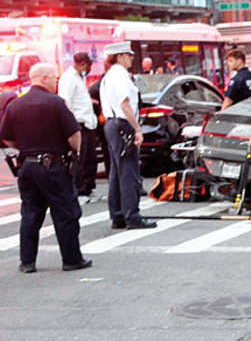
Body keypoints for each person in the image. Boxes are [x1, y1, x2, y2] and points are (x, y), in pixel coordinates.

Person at [0, 63, 91, 273]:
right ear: (43, 78)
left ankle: (27, 261)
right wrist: (75, 152)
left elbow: (5, 136)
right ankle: (71, 259)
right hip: (53, 166)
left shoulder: (15, 105)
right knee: (66, 212)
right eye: (53, 78)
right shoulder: (56, 103)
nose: (56, 82)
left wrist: (23, 148)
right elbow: (74, 134)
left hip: (27, 167)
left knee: (31, 213)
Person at [101, 41, 156, 230]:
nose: (132, 58)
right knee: (129, 173)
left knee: (117, 173)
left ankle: (118, 215)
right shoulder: (120, 75)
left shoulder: (110, 75)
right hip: (123, 124)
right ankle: (132, 216)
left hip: (113, 124)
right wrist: (137, 128)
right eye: (129, 54)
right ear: (119, 56)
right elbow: (125, 104)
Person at [58, 53, 99, 204]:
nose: (90, 69)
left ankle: (86, 188)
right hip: (78, 123)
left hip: (87, 123)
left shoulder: (79, 78)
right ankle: (77, 190)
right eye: (89, 65)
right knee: (79, 159)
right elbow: (66, 102)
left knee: (89, 158)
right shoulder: (69, 78)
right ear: (82, 64)